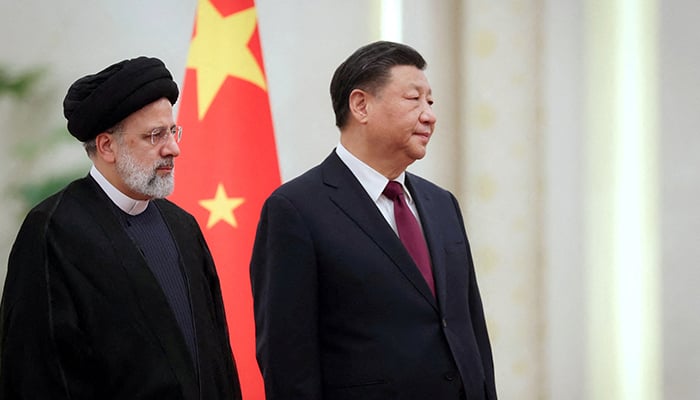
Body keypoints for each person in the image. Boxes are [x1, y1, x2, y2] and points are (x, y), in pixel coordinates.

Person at [250, 41, 497, 399]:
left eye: (430, 102)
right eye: (414, 99)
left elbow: (470, 329)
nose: (429, 115)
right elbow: (287, 361)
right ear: (361, 105)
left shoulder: (441, 203)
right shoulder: (296, 209)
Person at [0, 57, 242, 399]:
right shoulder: (53, 231)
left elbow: (217, 357)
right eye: (154, 135)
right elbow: (36, 373)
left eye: (172, 131)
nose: (173, 148)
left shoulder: (182, 226)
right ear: (107, 146)